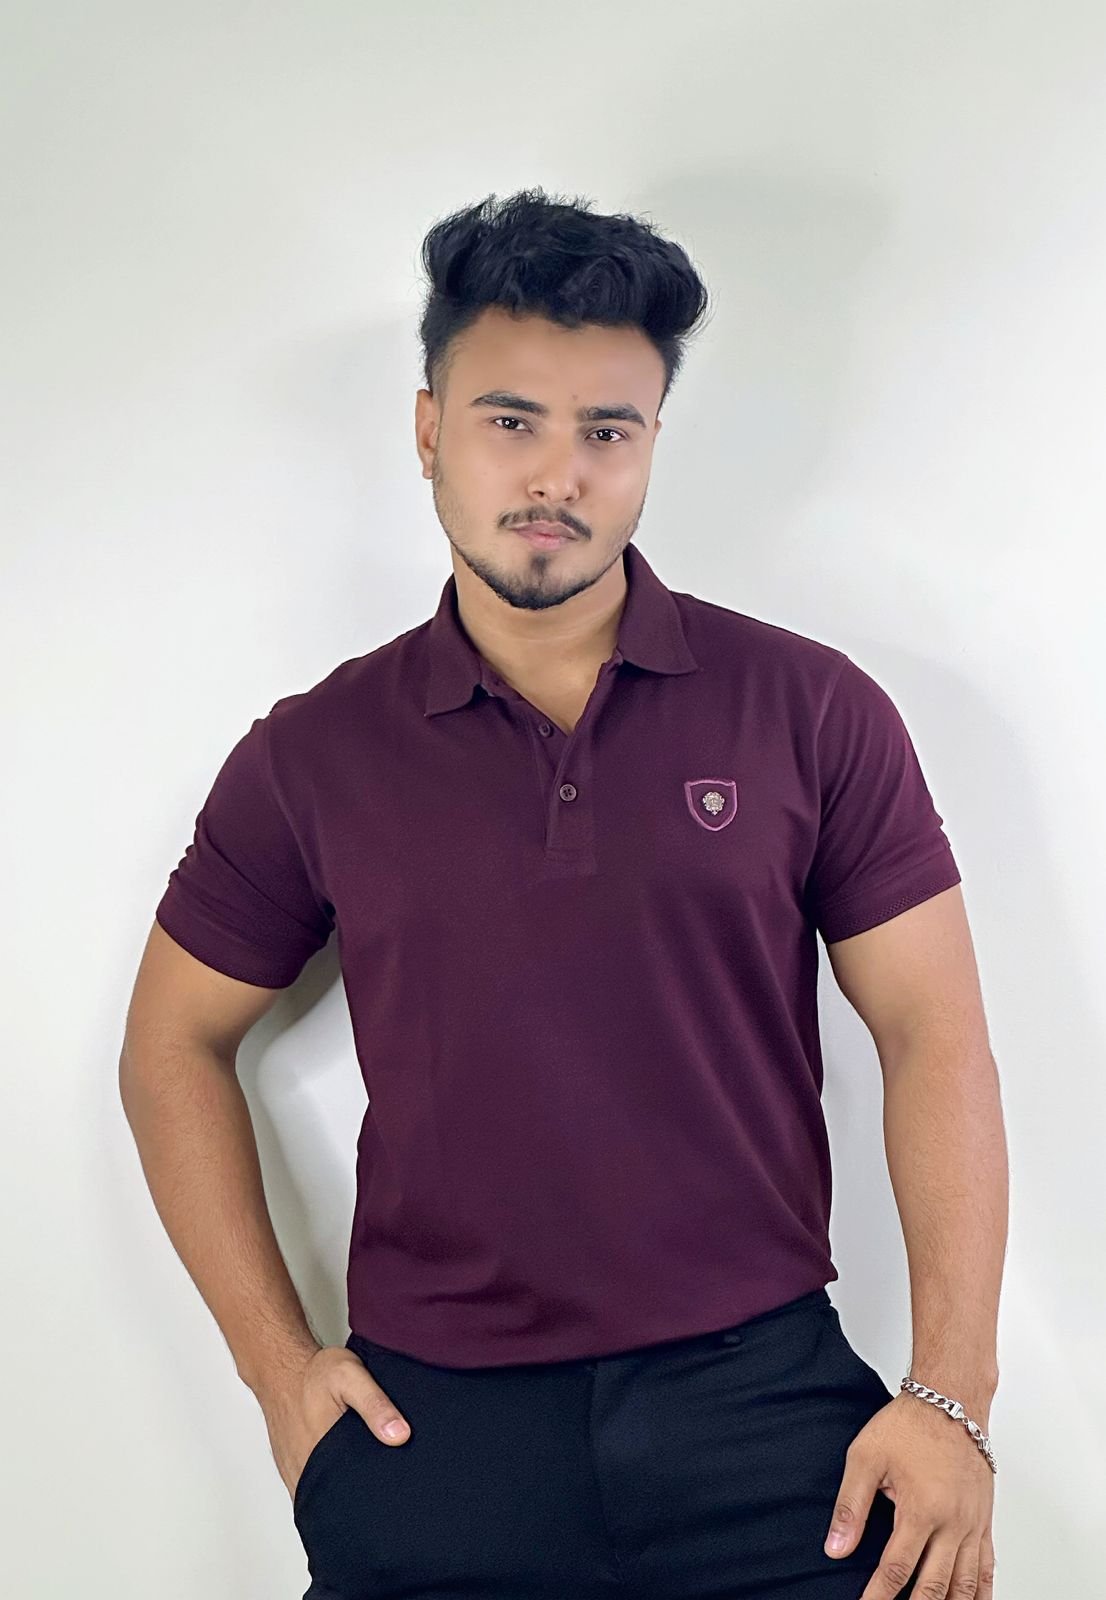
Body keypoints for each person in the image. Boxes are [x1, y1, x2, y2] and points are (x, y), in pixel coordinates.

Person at [120, 188, 1006, 1600]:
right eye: (510, 420)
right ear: (429, 432)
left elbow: (933, 1034)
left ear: (651, 443)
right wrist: (280, 1376)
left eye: (607, 430)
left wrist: (952, 1398)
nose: (557, 475)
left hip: (768, 1420)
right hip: (432, 1441)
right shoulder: (311, 754)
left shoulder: (808, 709)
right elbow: (169, 1043)